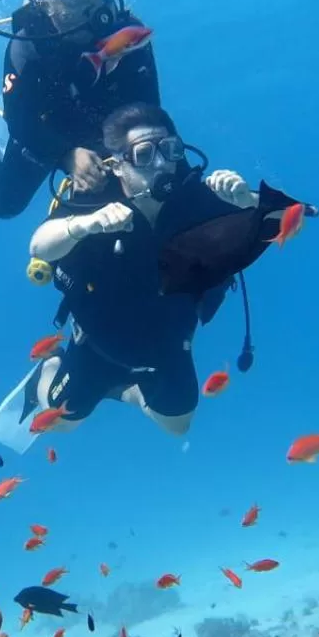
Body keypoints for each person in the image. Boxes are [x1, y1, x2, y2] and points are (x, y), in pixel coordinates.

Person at [20, 103, 260, 436]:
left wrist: (248, 201)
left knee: (178, 426)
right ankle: (50, 368)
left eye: (170, 150)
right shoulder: (92, 200)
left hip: (168, 341)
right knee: (60, 424)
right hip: (97, 343)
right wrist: (83, 226)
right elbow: (39, 245)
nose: (162, 164)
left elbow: (291, 216)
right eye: (144, 154)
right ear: (117, 165)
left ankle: (126, 392)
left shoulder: (199, 198)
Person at [0, 0, 159, 218]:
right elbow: (21, 124)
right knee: (5, 206)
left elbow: (151, 108)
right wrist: (66, 155)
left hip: (110, 127)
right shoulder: (27, 47)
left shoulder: (129, 33)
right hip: (46, 129)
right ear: (46, 3)